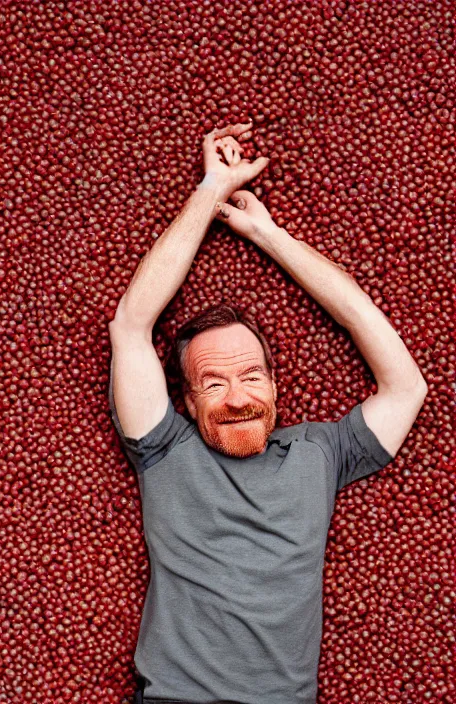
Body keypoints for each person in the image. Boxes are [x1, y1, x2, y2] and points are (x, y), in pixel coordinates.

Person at [108, 122, 427, 704]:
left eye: (252, 375)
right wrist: (211, 189)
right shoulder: (163, 449)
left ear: (276, 385)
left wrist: (269, 235)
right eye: (214, 382)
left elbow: (404, 383)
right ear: (186, 400)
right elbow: (131, 325)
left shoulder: (321, 453)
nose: (236, 397)